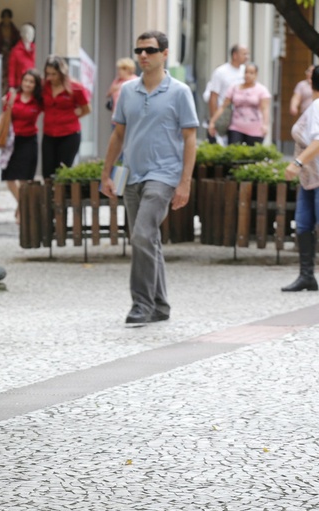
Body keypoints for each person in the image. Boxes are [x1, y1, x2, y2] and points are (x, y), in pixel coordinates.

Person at [100, 30, 198, 327]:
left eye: (150, 50)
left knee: (142, 234)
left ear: (164, 54)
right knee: (148, 239)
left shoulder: (179, 91)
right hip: (130, 174)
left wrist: (185, 182)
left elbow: (190, 138)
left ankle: (141, 304)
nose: (143, 55)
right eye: (139, 50)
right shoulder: (127, 91)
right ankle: (160, 304)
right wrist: (106, 174)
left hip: (164, 175)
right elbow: (119, 134)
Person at [283, 66, 319, 292]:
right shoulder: (313, 106)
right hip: (310, 176)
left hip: (314, 173)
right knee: (304, 223)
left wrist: (296, 163)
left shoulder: (317, 106)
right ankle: (307, 275)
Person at [0, 69, 43, 218]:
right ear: (21, 82)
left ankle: (22, 211)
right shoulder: (12, 96)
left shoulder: (38, 101)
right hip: (12, 142)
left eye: (31, 82)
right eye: (25, 80)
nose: (28, 84)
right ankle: (23, 206)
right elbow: (4, 116)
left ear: (36, 85)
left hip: (29, 141)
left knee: (24, 180)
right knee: (9, 178)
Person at [41, 55, 91, 179]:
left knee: (62, 172)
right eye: (48, 74)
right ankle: (49, 198)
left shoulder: (75, 87)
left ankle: (61, 198)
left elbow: (87, 109)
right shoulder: (44, 86)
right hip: (49, 134)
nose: (50, 77)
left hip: (69, 134)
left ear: (62, 73)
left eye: (54, 74)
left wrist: (72, 115)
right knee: (47, 172)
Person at [208, 63, 271, 146]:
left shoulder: (262, 90)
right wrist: (212, 122)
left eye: (251, 73)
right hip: (236, 127)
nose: (248, 75)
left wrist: (265, 125)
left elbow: (265, 109)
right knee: (234, 152)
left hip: (255, 129)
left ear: (256, 75)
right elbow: (223, 107)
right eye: (246, 72)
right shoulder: (234, 88)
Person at [203, 44, 248, 144]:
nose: (247, 57)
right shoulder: (221, 72)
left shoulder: (246, 71)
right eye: (244, 54)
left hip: (241, 118)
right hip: (224, 116)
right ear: (235, 55)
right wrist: (214, 120)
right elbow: (213, 97)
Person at [0, 8, 21, 93]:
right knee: (0, 73)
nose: (6, 19)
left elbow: (17, 42)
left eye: (8, 17)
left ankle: (7, 90)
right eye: (4, 17)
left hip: (11, 55)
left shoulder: (14, 30)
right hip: (0, 54)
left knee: (10, 73)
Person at [7, 23, 36, 91]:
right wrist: (11, 86)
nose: (30, 36)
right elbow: (12, 70)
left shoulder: (36, 49)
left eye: (32, 33)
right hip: (21, 85)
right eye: (28, 33)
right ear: (22, 34)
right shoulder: (16, 51)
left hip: (35, 84)